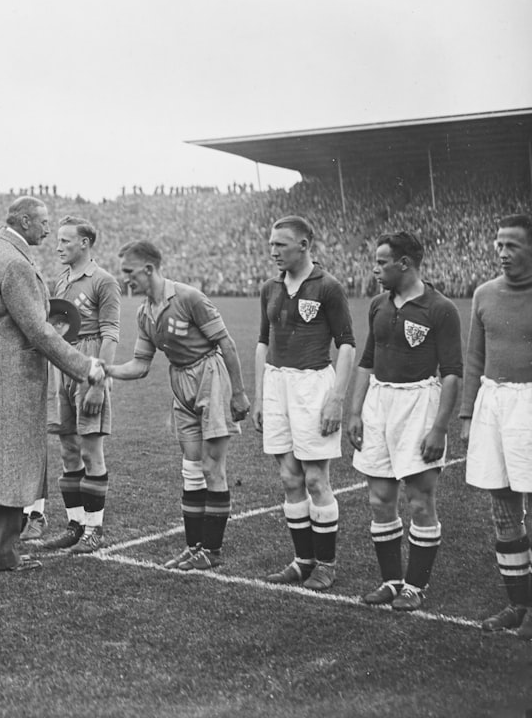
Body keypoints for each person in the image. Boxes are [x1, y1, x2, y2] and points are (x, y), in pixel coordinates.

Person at [0, 196, 105, 572]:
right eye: (43, 221)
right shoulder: (15, 264)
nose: (48, 229)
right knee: (9, 459)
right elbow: (38, 331)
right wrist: (85, 366)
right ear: (23, 221)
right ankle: (2, 556)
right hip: (10, 373)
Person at [107, 241, 249, 569]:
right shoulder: (144, 313)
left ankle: (211, 552)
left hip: (210, 377)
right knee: (191, 468)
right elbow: (141, 365)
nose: (125, 278)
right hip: (180, 383)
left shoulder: (188, 298)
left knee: (213, 468)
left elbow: (225, 343)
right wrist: (107, 370)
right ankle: (194, 545)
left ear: (149, 269)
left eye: (129, 271)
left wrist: (238, 393)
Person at [347, 232, 462, 611]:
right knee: (380, 498)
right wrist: (355, 412)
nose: (375, 269)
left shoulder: (440, 308)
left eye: (381, 263)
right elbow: (366, 360)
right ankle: (391, 581)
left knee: (418, 500)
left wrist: (440, 427)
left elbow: (452, 373)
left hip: (419, 405)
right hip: (380, 403)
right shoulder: (379, 304)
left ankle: (415, 586)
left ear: (405, 264)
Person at [252, 216, 355, 590]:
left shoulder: (328, 287)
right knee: (289, 477)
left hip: (313, 384)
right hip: (277, 383)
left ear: (304, 245)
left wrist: (337, 398)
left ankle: (326, 564)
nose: (273, 251)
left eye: (281, 244)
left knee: (315, 478)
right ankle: (302, 561)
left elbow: (346, 344)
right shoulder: (270, 287)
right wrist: (262, 393)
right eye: (271, 244)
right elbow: (263, 342)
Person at [459, 214, 532, 639]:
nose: (502, 253)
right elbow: (473, 358)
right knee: (504, 509)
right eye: (498, 245)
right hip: (494, 404)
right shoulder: (484, 294)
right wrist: (468, 415)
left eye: (513, 246)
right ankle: (517, 604)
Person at [35, 216, 120, 554]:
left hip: (89, 365)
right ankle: (75, 525)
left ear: (84, 243)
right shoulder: (62, 280)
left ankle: (94, 530)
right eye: (57, 240)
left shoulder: (104, 281)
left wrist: (99, 380)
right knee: (68, 449)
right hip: (63, 364)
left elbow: (111, 332)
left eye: (66, 241)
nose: (58, 247)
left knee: (90, 449)